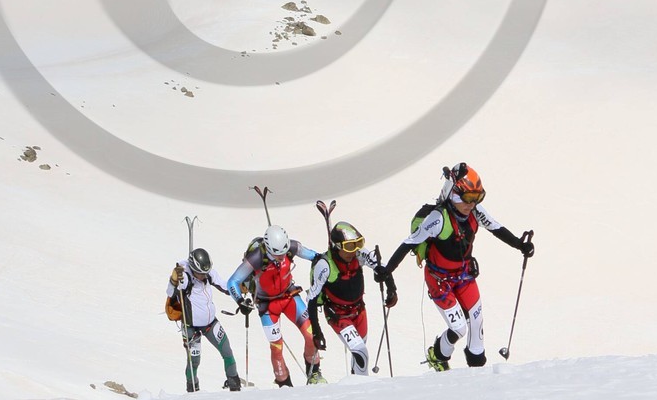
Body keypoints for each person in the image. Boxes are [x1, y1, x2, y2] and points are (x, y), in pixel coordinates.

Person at [376, 165, 533, 370]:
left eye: (478, 197)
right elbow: (410, 243)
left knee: (476, 324)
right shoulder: (438, 218)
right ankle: (438, 356)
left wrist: (520, 245)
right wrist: (387, 270)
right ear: (454, 194)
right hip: (439, 280)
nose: (472, 204)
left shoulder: (475, 212)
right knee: (459, 328)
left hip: (464, 275)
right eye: (468, 198)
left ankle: (477, 369)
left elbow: (496, 228)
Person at [226, 225, 325, 387]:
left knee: (310, 333)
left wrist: (322, 260)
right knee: (276, 346)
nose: (281, 257)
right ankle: (284, 384)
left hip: (289, 296)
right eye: (277, 254)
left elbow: (314, 256)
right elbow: (233, 281)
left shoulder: (291, 247)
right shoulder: (257, 257)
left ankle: (314, 373)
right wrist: (240, 301)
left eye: (283, 254)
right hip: (267, 305)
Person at [307, 222, 387, 378]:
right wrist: (316, 332)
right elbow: (312, 300)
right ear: (337, 246)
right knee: (361, 351)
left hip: (359, 311)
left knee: (359, 353)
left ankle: (355, 386)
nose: (354, 251)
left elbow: (380, 266)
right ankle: (364, 386)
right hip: (338, 315)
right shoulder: (324, 265)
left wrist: (390, 287)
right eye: (349, 247)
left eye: (357, 244)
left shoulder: (358, 253)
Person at [166, 247, 242, 393]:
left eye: (205, 273)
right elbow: (170, 293)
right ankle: (192, 387)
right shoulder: (185, 277)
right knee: (194, 361)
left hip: (210, 323)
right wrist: (174, 280)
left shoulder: (208, 273)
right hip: (191, 327)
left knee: (227, 350)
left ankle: (234, 384)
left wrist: (239, 293)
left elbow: (225, 285)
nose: (203, 276)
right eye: (200, 273)